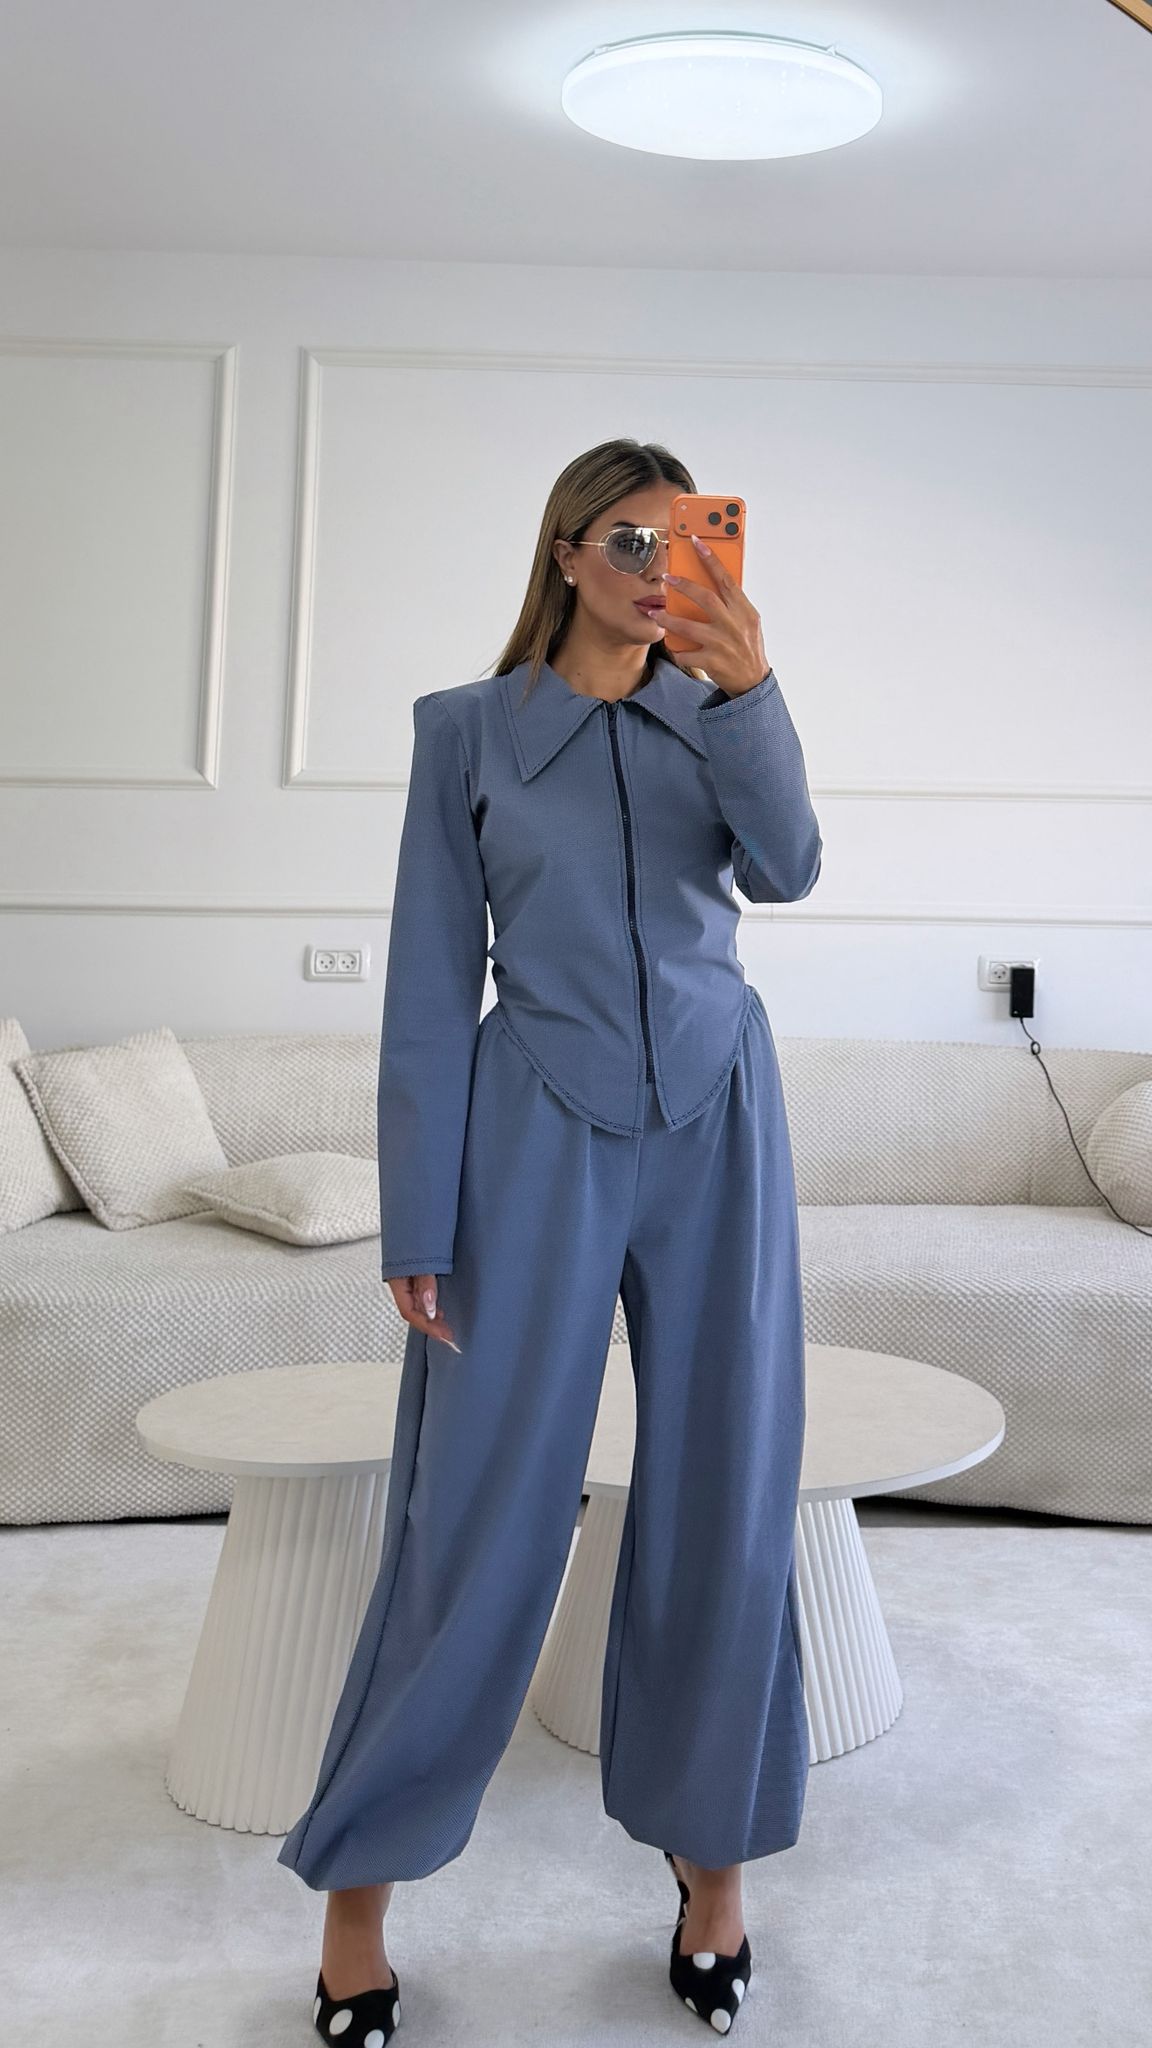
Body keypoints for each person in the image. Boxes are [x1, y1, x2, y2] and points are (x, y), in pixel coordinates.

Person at [276, 437, 823, 2042]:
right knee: (476, 1513)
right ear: (568, 552)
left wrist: (752, 686)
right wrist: (418, 1207)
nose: (661, 569)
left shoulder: (719, 710)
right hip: (533, 1134)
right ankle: (359, 1896)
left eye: (688, 540)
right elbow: (429, 978)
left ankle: (713, 1879)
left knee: (727, 1501)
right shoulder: (468, 731)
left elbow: (789, 869)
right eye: (630, 541)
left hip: (719, 1123)